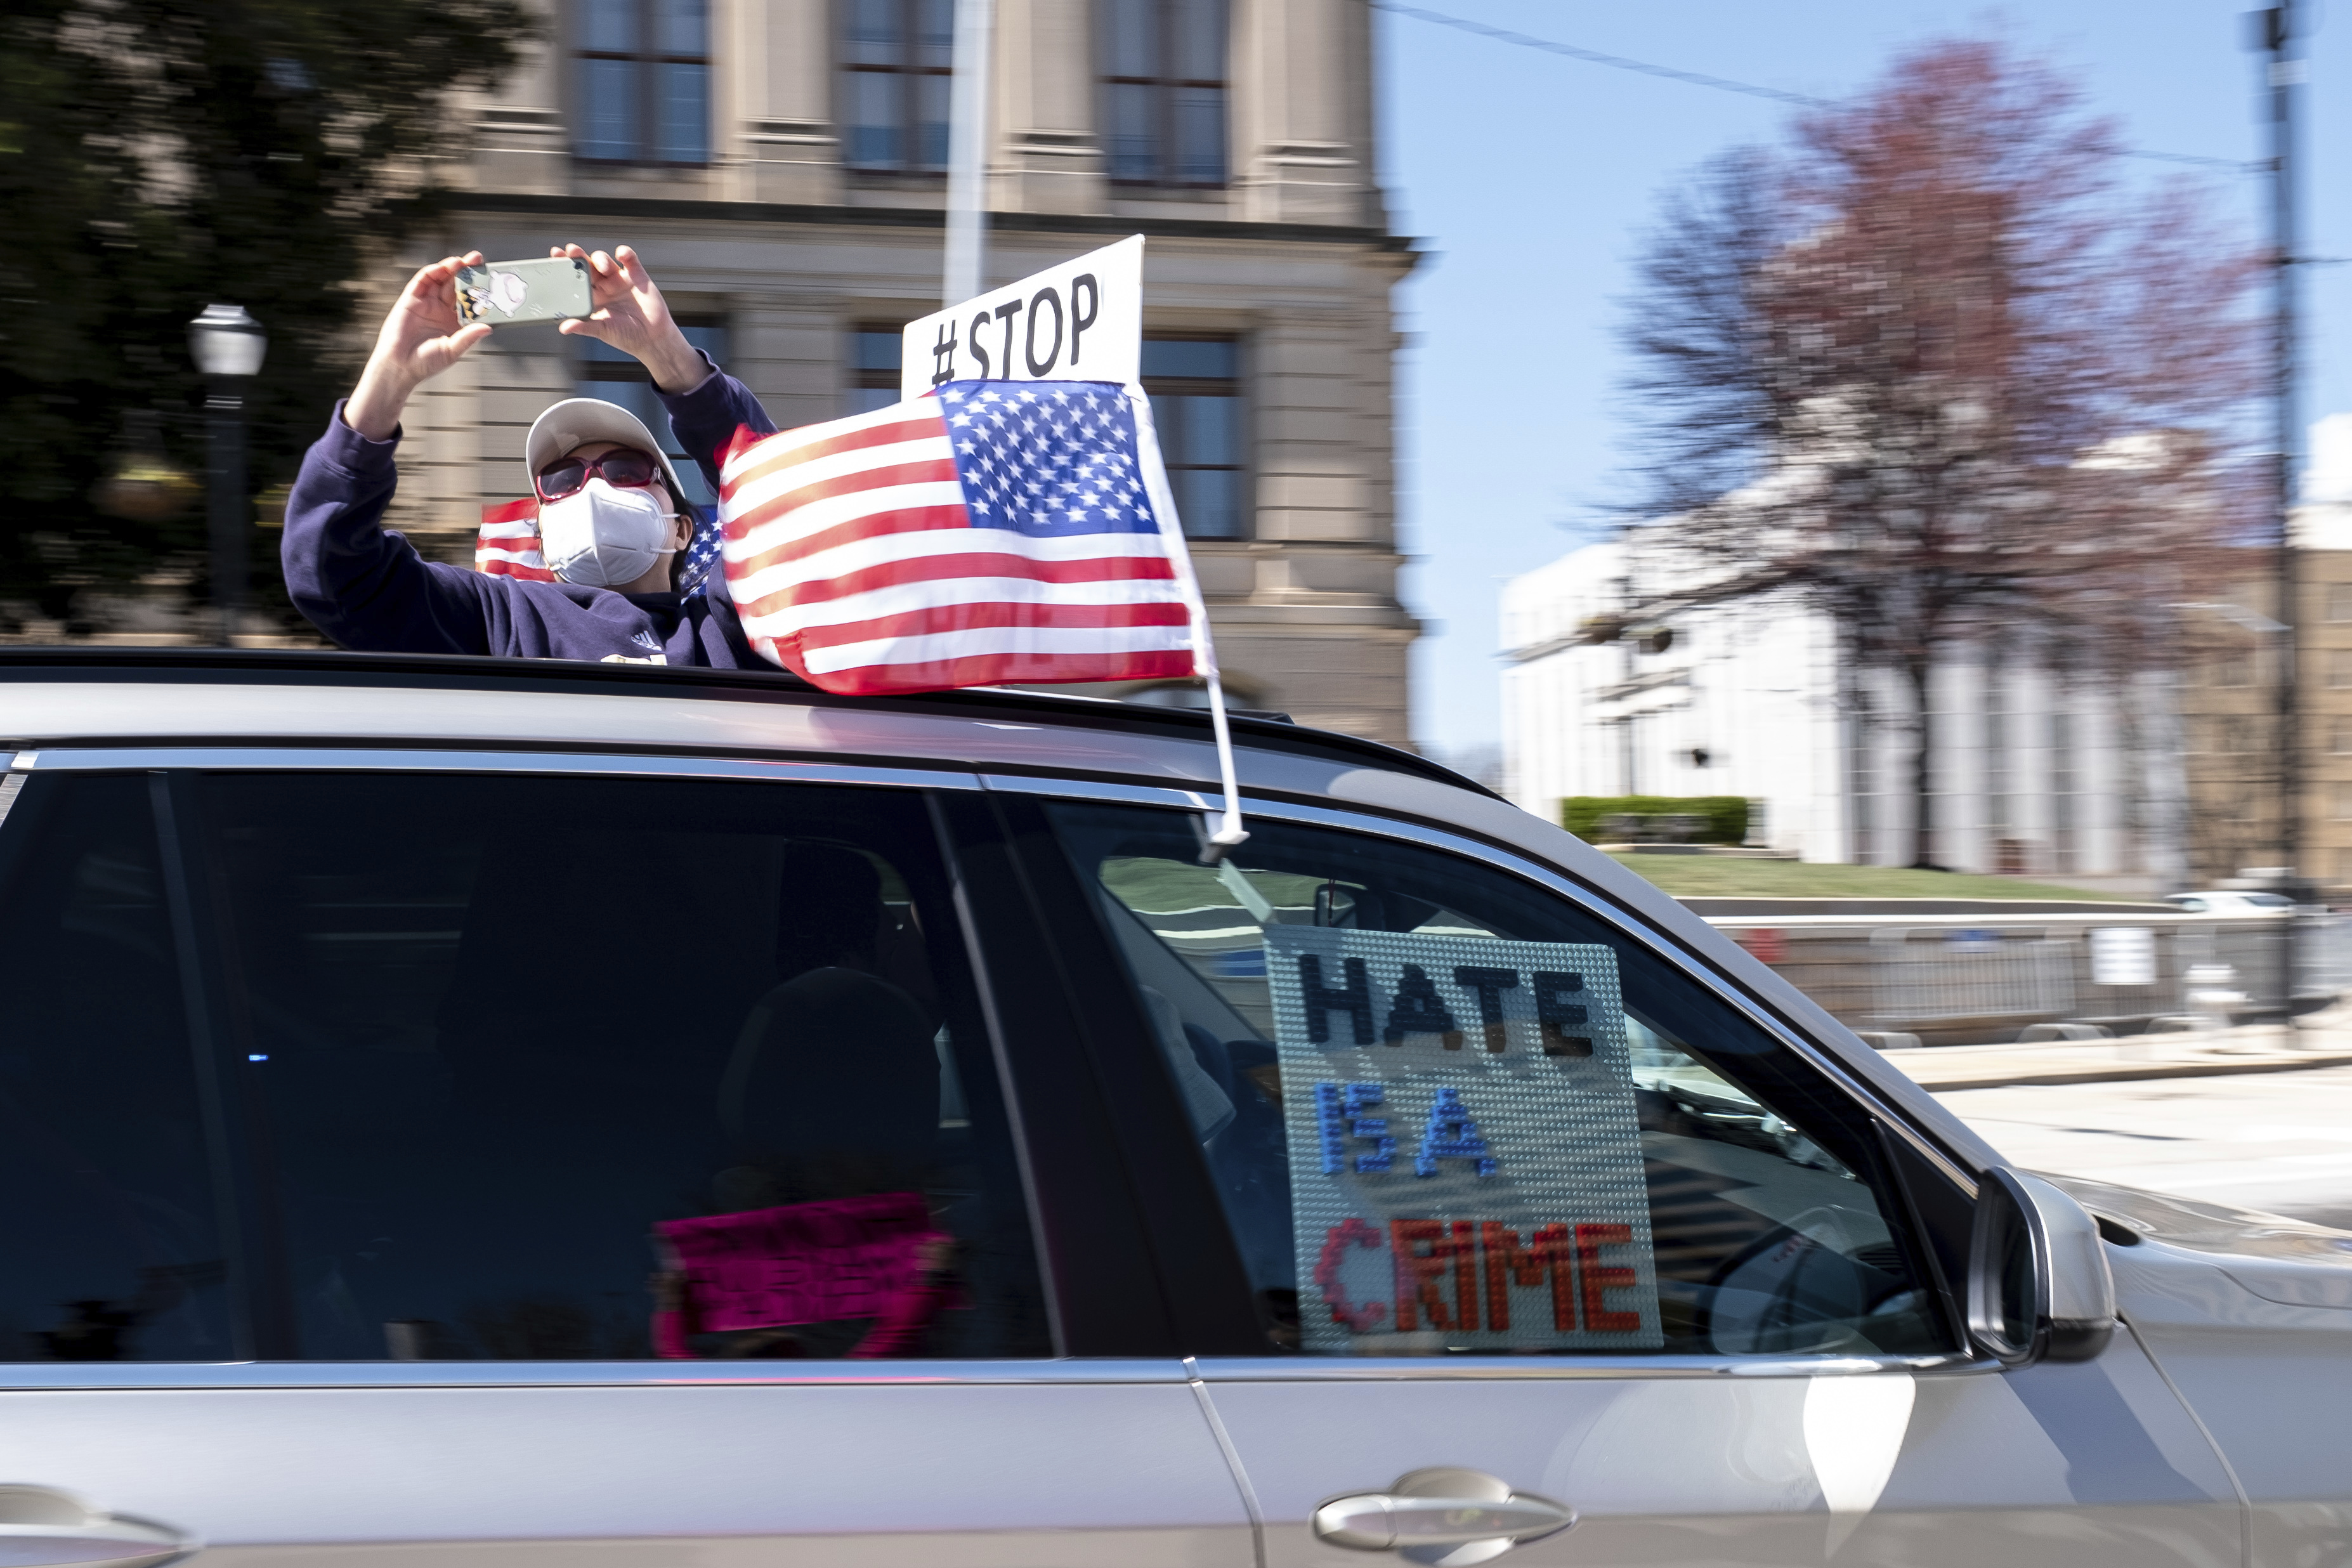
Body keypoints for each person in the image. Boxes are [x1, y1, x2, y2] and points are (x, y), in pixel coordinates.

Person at [280, 244, 782, 665]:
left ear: (681, 528)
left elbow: (783, 504)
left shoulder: (730, 626)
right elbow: (335, 573)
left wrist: (668, 352)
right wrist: (390, 375)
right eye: (562, 481)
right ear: (541, 536)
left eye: (625, 470)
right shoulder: (498, 617)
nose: (594, 488)